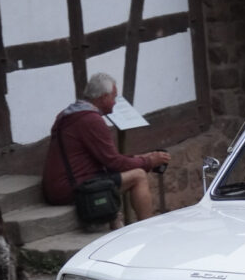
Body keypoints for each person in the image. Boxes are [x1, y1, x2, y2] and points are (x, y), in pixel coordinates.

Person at [42, 73, 170, 226]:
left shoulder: (68, 114)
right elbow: (113, 162)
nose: (115, 103)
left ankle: (117, 226)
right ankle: (147, 228)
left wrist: (138, 157)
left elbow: (104, 157)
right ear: (103, 97)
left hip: (58, 186)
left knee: (119, 176)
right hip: (70, 189)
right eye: (113, 97)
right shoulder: (91, 120)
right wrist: (148, 161)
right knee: (139, 176)